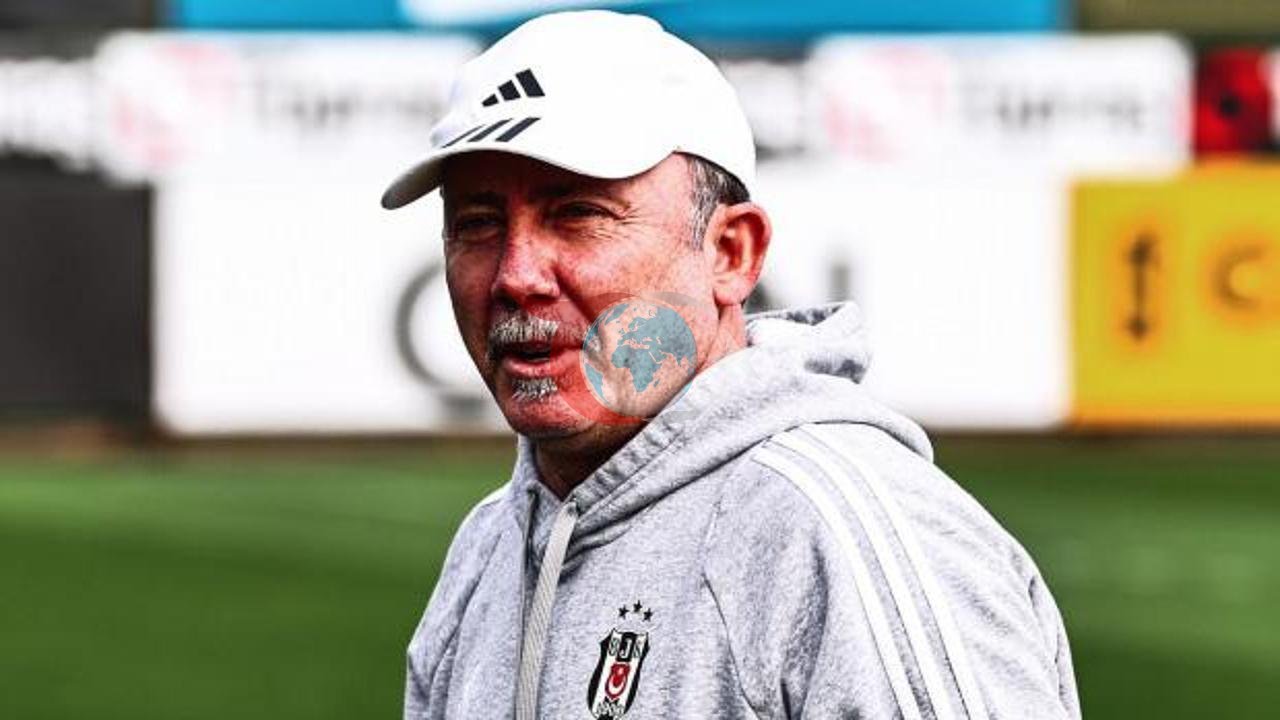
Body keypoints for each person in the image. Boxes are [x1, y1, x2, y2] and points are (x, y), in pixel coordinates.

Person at [381, 10, 1080, 720]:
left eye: (579, 215)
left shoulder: (842, 532)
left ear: (731, 254)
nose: (516, 274)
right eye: (477, 223)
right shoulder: (488, 548)